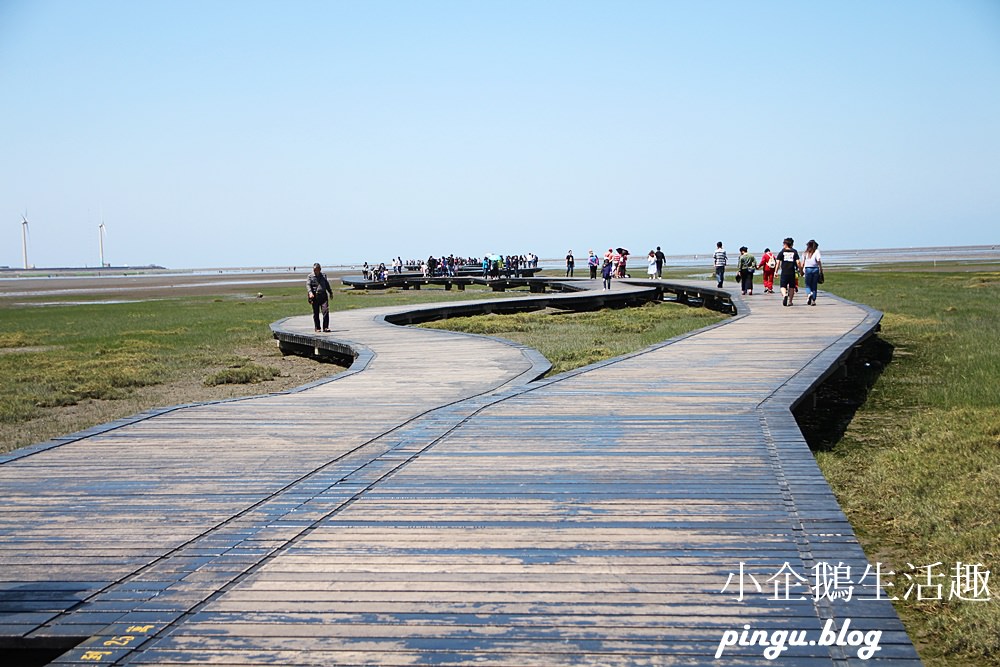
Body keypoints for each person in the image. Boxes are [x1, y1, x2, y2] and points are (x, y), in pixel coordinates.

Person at [306, 263, 333, 332]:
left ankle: (325, 327)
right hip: (315, 296)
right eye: (314, 270)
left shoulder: (323, 275)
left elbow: (327, 284)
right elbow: (308, 285)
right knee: (316, 313)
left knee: (325, 311)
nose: (315, 271)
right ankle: (317, 327)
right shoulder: (310, 276)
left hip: (323, 296)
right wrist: (310, 293)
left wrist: (330, 292)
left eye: (317, 269)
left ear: (320, 269)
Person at [775, 237, 801, 307]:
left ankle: (784, 295)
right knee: (792, 286)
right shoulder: (794, 252)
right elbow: (798, 262)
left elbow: (777, 262)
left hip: (784, 271)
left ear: (785, 244)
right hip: (792, 271)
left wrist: (776, 271)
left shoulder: (782, 252)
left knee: (783, 286)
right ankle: (790, 301)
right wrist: (800, 270)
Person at [802, 239, 823, 306]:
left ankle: (809, 294)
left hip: (807, 269)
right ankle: (813, 300)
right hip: (815, 269)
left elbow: (803, 263)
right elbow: (818, 261)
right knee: (814, 285)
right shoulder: (817, 251)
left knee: (807, 285)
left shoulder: (805, 253)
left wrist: (801, 270)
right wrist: (821, 269)